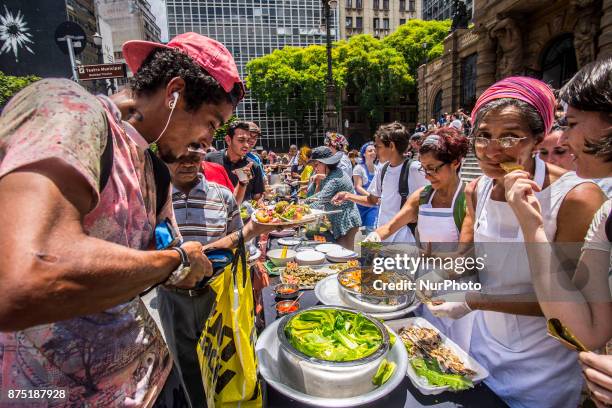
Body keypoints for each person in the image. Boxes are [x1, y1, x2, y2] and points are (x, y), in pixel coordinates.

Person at [0, 32, 245, 406]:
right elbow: (26, 275)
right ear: (174, 92)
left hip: (153, 381)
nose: (208, 142)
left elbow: (159, 264)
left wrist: (187, 264)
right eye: (211, 123)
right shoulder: (68, 109)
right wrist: (176, 260)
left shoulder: (154, 171)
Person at [431, 76, 603, 408]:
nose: (493, 150)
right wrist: (432, 274)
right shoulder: (478, 187)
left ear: (537, 140)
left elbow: (573, 309)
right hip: (479, 347)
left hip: (539, 370)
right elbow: (474, 257)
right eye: (483, 136)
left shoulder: (576, 197)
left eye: (510, 136)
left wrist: (473, 300)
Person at [504, 58, 612, 407]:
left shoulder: (584, 198)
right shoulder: (607, 215)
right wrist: (532, 226)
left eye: (573, 124)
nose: (563, 138)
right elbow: (582, 332)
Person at [158, 148, 276, 407]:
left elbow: (237, 242)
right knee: (187, 365)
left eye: (194, 156)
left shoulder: (222, 196)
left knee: (227, 362)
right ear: (165, 157)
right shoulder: (155, 198)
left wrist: (253, 234)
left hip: (218, 295)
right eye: (180, 156)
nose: (188, 163)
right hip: (173, 298)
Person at [333, 122, 428, 243]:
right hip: (383, 240)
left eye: (378, 146)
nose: (375, 151)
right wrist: (347, 196)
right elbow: (372, 200)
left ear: (392, 146)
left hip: (406, 244)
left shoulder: (415, 169)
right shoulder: (383, 169)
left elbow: (435, 200)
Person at [307, 147, 361, 249]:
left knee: (348, 259)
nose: (315, 168)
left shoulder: (335, 178)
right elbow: (312, 196)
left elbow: (320, 201)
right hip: (340, 223)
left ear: (325, 163)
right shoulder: (330, 174)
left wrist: (299, 209)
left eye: (316, 164)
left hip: (347, 223)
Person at [206, 121, 265, 204]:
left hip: (245, 215)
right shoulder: (209, 159)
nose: (246, 145)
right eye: (241, 140)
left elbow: (257, 197)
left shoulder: (254, 166)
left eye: (248, 140)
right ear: (228, 140)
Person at [353, 142, 379, 235]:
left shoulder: (377, 169)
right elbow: (358, 187)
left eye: (374, 150)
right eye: (370, 151)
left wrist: (375, 198)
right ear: (364, 154)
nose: (373, 152)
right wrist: (371, 195)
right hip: (360, 204)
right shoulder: (359, 168)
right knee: (359, 232)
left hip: (372, 205)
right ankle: (360, 249)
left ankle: (371, 250)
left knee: (371, 229)